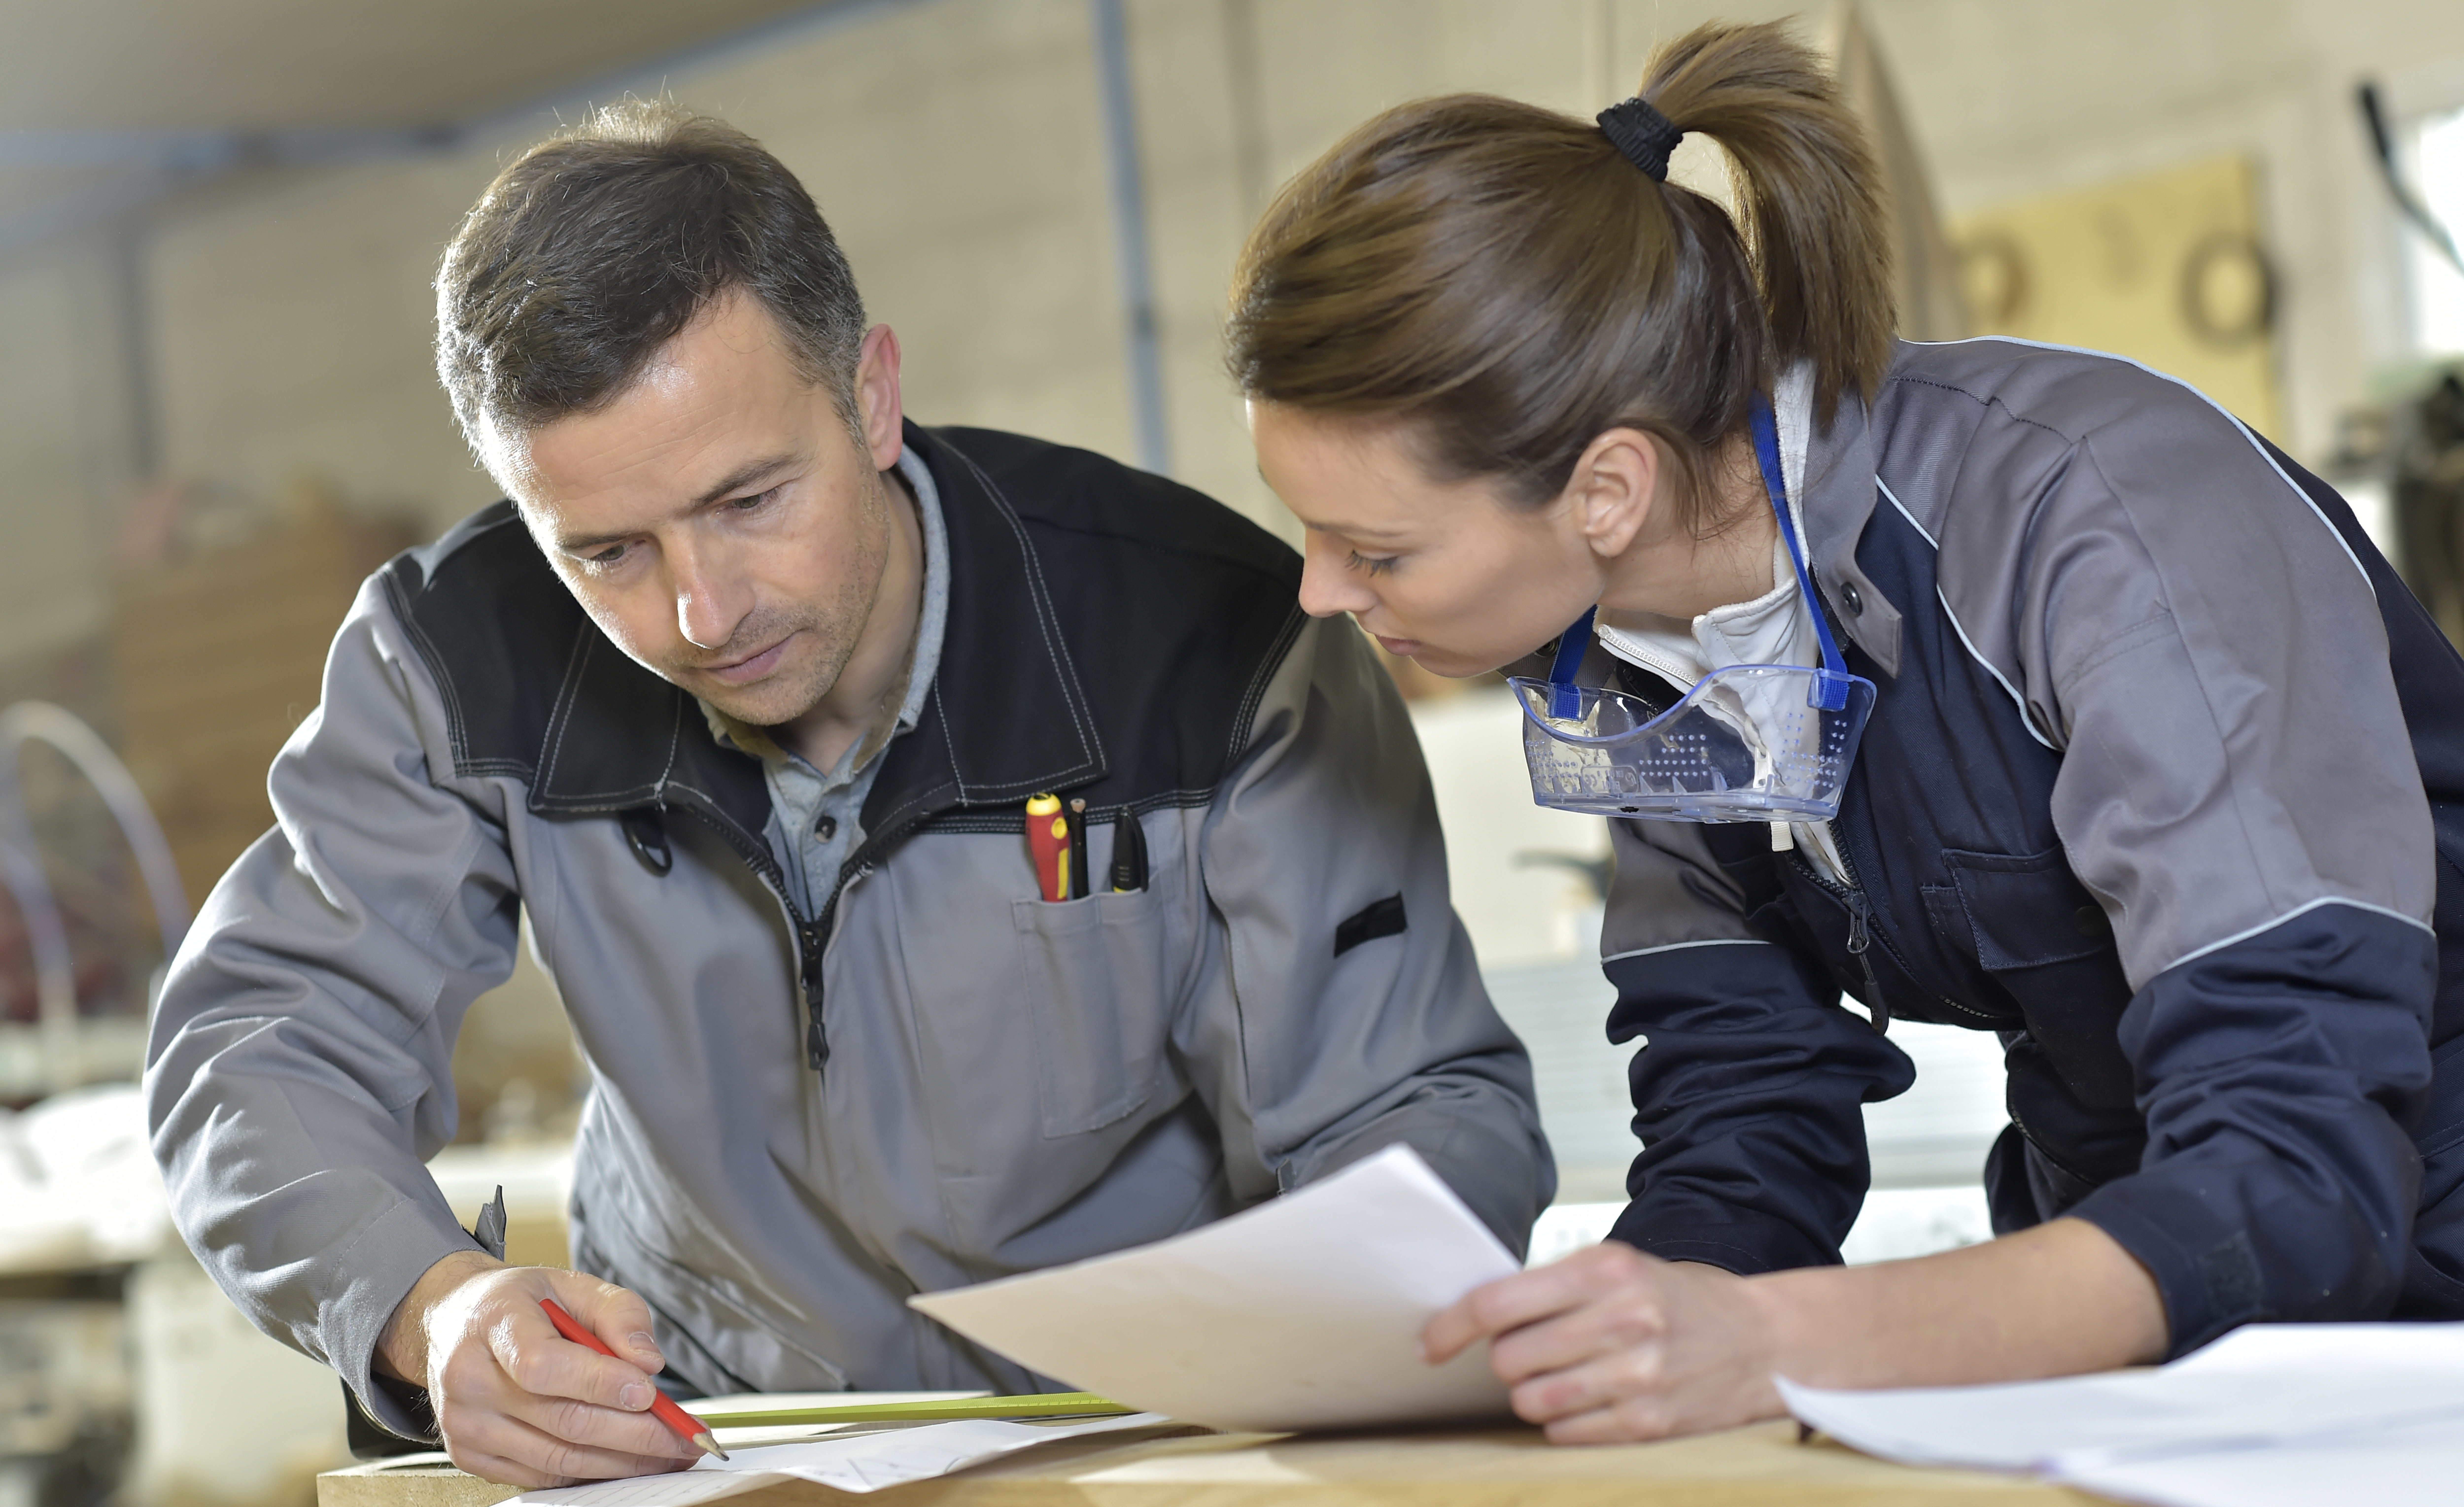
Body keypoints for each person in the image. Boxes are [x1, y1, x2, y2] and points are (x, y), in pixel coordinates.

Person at [144, 102, 1551, 1487]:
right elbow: (259, 1044)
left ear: (872, 394)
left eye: (752, 499)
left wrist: (1335, 1378)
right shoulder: (450, 654)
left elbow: (1407, 1113)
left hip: (1138, 1437)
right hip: (703, 1440)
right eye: (608, 552)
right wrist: (427, 1301)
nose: (704, 611)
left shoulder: (1216, 644)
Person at [1229, 19, 2464, 1444]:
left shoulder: (2097, 526)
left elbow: (2296, 1161)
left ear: (1608, 488)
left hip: (2405, 1302)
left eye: (1374, 548)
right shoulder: (1630, 655)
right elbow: (1744, 1105)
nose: (1320, 592)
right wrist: (1606, 1349)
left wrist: (1782, 1339)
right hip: (2129, 1323)